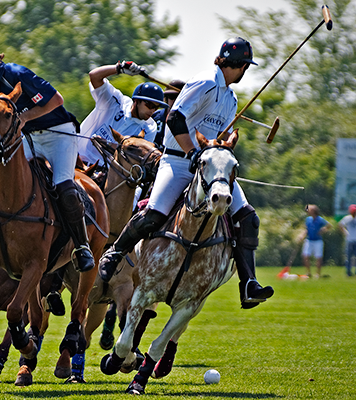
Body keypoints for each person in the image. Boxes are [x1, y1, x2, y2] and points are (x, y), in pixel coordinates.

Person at [98, 37, 274, 309]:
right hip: (179, 161)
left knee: (248, 218)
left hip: (209, 166)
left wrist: (223, 144)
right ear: (237, 65)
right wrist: (192, 151)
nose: (245, 72)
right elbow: (175, 117)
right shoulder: (205, 82)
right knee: (154, 213)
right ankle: (114, 253)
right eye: (245, 67)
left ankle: (248, 283)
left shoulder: (230, 97)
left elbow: (215, 137)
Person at [0, 38, 95, 279]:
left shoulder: (17, 74)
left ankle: (82, 246)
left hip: (60, 134)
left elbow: (57, 100)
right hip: (29, 137)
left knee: (65, 187)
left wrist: (25, 117)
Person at [77, 62, 168, 167]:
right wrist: (119, 68)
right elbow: (94, 75)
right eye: (149, 105)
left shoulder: (150, 127)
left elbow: (139, 155)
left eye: (156, 107)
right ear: (137, 101)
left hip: (104, 173)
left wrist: (108, 145)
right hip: (76, 158)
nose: (152, 110)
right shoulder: (116, 101)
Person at [152, 79, 186, 150]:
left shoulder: (190, 120)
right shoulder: (153, 117)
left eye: (178, 97)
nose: (175, 100)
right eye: (171, 96)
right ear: (166, 98)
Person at [301, 204, 331, 278]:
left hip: (318, 240)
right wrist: (302, 235)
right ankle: (308, 272)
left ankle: (318, 273)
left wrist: (323, 230)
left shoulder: (319, 219)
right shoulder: (308, 219)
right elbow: (306, 229)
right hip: (309, 239)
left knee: (318, 257)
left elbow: (329, 225)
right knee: (305, 255)